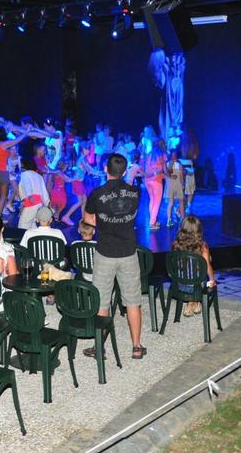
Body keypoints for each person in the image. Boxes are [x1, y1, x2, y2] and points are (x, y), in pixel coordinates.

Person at [83, 153, 145, 359]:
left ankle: (100, 347)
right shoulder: (135, 192)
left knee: (102, 302)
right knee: (133, 301)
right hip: (128, 252)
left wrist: (102, 223)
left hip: (105, 252)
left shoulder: (97, 193)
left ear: (105, 169)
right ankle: (137, 347)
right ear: (125, 171)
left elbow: (88, 219)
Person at [171, 215, 216, 316]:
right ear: (199, 230)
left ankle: (191, 302)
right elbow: (207, 266)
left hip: (179, 284)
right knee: (207, 260)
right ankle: (194, 301)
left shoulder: (175, 245)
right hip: (197, 286)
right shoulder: (202, 246)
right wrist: (212, 280)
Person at [0, 124, 28, 216]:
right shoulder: (4, 144)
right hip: (2, 172)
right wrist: (26, 132)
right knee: (4, 195)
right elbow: (17, 140)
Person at [17, 158, 51, 229]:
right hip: (39, 203)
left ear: (24, 165)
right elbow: (44, 191)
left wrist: (30, 196)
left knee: (22, 224)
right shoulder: (38, 176)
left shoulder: (24, 174)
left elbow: (27, 185)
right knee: (32, 224)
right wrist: (46, 204)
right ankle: (34, 238)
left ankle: (23, 239)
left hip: (32, 202)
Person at [144, 141, 167, 230]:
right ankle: (152, 223)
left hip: (147, 180)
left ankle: (153, 220)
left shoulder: (149, 154)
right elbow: (164, 169)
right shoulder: (162, 154)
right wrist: (169, 175)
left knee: (152, 200)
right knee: (157, 202)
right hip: (156, 180)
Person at [164, 149, 185, 227]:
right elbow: (181, 177)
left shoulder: (166, 164)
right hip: (178, 185)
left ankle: (169, 220)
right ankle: (183, 220)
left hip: (170, 186)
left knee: (170, 203)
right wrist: (183, 185)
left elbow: (166, 176)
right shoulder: (179, 165)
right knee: (181, 203)